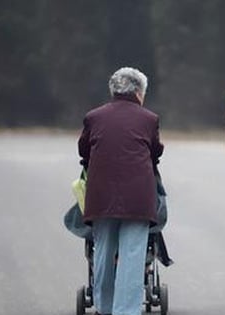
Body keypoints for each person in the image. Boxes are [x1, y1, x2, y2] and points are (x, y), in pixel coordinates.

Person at [78, 67, 164, 315]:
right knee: (133, 255)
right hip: (138, 199)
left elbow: (83, 151)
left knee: (103, 252)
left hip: (101, 198)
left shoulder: (93, 117)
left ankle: (104, 307)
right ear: (139, 93)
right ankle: (126, 311)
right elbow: (155, 152)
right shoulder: (149, 119)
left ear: (113, 91)